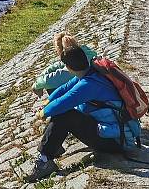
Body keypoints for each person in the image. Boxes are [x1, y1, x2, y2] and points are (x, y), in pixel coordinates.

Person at [26, 44, 141, 183]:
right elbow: (65, 88)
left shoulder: (88, 85)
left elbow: (64, 101)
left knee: (64, 115)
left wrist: (42, 113)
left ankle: (44, 161)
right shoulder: (92, 71)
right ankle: (51, 149)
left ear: (68, 68)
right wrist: (48, 101)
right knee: (63, 112)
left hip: (117, 141)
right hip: (114, 132)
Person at [32, 33, 98, 96]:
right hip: (95, 88)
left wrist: (36, 85)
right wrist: (44, 73)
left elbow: (48, 81)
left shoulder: (74, 69)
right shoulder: (84, 53)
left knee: (52, 87)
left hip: (90, 97)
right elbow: (60, 65)